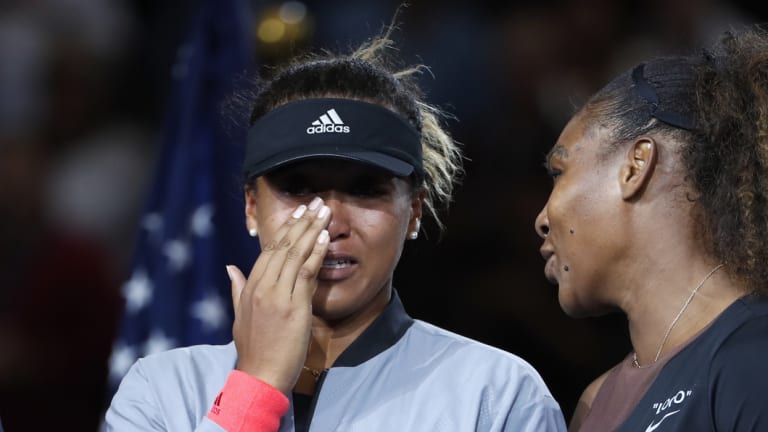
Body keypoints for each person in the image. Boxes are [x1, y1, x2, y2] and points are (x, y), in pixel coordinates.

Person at [106, 31, 567, 431]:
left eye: (366, 190)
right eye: (298, 189)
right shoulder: (159, 391)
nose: (329, 225)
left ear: (415, 212)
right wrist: (257, 385)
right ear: (251, 207)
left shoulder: (497, 395)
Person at [535, 24, 768, 431]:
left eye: (560, 171)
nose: (541, 220)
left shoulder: (755, 357)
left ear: (635, 166)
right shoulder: (594, 403)